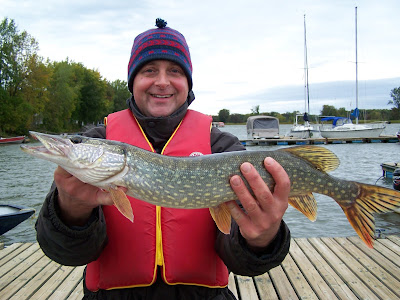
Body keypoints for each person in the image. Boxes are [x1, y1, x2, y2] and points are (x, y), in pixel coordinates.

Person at [36, 18, 291, 300]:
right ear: (132, 81)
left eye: (174, 71)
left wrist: (262, 239)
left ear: (187, 83)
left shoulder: (222, 147)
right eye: (148, 70)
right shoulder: (99, 140)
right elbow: (64, 253)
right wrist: (71, 210)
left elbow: (243, 262)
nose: (161, 81)